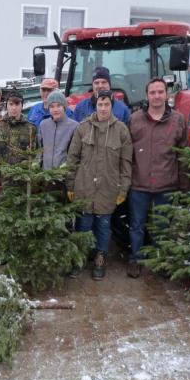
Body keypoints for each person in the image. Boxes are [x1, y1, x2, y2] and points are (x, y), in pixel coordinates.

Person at [66, 89, 132, 280]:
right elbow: (73, 159)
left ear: (112, 105)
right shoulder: (82, 128)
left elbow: (126, 164)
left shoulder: (121, 131)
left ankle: (100, 258)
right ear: (95, 105)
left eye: (107, 104)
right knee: (83, 225)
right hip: (84, 187)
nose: (103, 108)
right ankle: (79, 258)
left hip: (108, 188)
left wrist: (123, 188)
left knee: (103, 227)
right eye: (100, 104)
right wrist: (70, 185)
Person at [127, 78, 189, 278]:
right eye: (152, 92)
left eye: (160, 92)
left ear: (167, 94)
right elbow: (127, 152)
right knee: (136, 225)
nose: (156, 96)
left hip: (167, 184)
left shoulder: (178, 120)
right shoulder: (135, 119)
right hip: (139, 183)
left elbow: (183, 154)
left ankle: (161, 261)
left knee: (163, 226)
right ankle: (135, 259)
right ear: (147, 95)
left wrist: (184, 184)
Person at [0, 88, 37, 200]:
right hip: (2, 184)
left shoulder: (30, 128)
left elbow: (36, 155)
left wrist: (33, 177)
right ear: (6, 105)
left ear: (22, 105)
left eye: (17, 104)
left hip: (23, 184)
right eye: (11, 104)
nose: (14, 108)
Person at [39, 89, 79, 171]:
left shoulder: (74, 126)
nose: (55, 109)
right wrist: (37, 164)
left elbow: (76, 154)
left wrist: (67, 166)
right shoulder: (43, 125)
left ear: (64, 107)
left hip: (63, 175)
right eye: (52, 106)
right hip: (45, 175)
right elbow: (39, 149)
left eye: (58, 106)